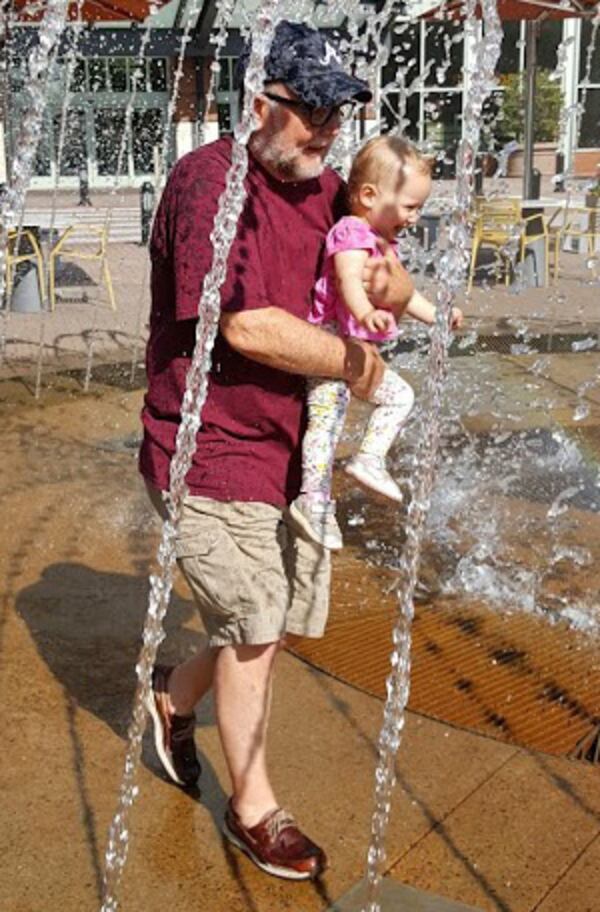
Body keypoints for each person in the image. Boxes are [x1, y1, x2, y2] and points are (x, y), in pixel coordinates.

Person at [139, 20, 414, 882]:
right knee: (257, 625)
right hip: (207, 445)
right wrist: (361, 365)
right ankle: (255, 807)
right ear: (262, 103)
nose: (328, 132)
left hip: (292, 452)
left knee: (280, 621)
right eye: (313, 115)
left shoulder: (327, 184)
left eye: (338, 117)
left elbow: (388, 273)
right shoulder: (208, 184)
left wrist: (394, 282)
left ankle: (171, 695)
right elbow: (250, 324)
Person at [289, 136, 464, 550]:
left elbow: (405, 295)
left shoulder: (381, 240)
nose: (415, 217)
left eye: (419, 207)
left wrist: (438, 317)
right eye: (409, 206)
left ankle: (369, 458)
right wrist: (365, 312)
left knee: (400, 397)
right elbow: (349, 279)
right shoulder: (351, 232)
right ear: (369, 195)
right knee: (326, 420)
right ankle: (312, 499)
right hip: (329, 342)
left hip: (354, 349)